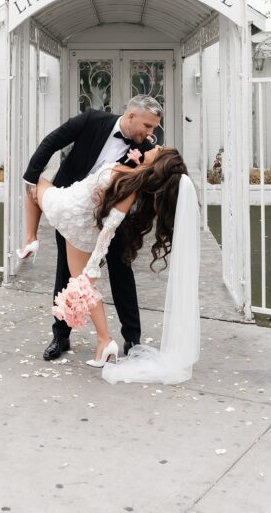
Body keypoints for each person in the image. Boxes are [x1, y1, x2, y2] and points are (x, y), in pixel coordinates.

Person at [21, 146, 201, 384]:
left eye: (159, 149)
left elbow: (109, 229)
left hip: (69, 211)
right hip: (82, 224)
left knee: (32, 183)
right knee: (81, 284)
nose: (155, 145)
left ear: (159, 162)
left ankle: (30, 238)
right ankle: (104, 342)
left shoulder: (130, 184)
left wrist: (94, 266)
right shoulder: (136, 178)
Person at [19, 96, 162, 361]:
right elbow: (51, 142)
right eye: (148, 126)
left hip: (109, 216)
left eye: (154, 128)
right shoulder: (91, 119)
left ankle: (133, 340)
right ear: (131, 116)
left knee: (122, 270)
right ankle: (60, 337)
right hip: (72, 206)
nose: (151, 133)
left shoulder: (146, 149)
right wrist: (30, 179)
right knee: (67, 272)